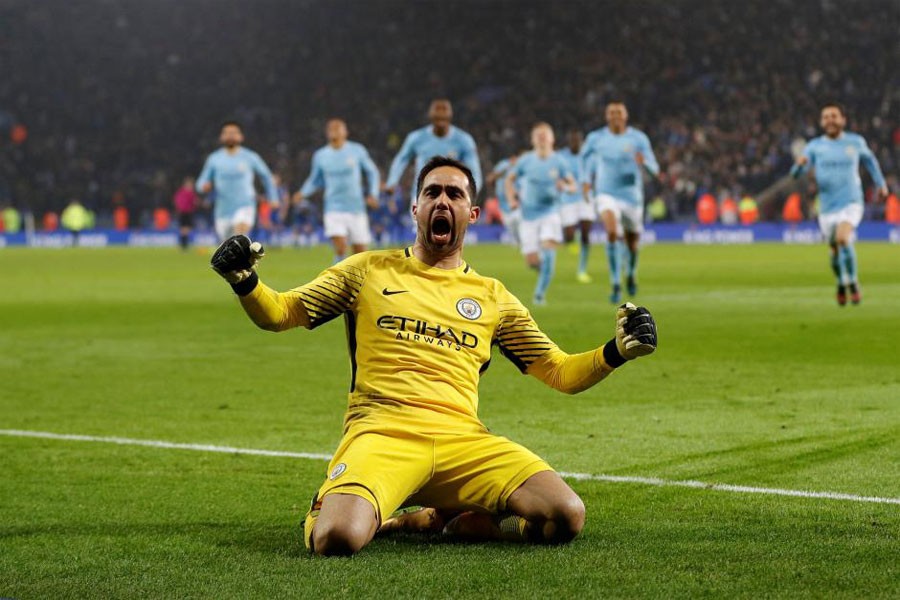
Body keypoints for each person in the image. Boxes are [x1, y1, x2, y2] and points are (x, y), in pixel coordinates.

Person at [209, 156, 657, 557]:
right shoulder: (367, 270)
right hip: (384, 434)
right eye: (432, 192)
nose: (443, 201)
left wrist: (616, 351)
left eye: (455, 194)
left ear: (472, 213)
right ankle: (328, 508)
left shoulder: (492, 297)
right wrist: (244, 280)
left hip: (464, 442)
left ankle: (459, 524)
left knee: (566, 515)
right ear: (416, 209)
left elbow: (559, 371)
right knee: (337, 539)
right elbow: (281, 312)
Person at [790, 102, 888, 306]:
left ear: (843, 120)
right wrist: (798, 168)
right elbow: (796, 173)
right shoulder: (815, 146)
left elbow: (870, 161)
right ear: (821, 122)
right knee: (834, 251)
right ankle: (841, 282)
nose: (830, 120)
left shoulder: (855, 142)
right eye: (826, 117)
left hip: (852, 201)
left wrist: (881, 184)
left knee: (844, 238)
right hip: (826, 206)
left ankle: (852, 281)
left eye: (834, 116)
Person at [581, 101, 660, 304]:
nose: (615, 115)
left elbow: (655, 169)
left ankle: (631, 273)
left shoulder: (638, 139)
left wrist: (646, 164)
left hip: (632, 197)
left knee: (632, 244)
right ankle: (615, 282)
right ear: (607, 116)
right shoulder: (596, 138)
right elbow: (583, 160)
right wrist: (586, 181)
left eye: (619, 112)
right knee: (612, 231)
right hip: (606, 193)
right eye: (611, 112)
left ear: (626, 115)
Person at [506, 123, 576, 306]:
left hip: (550, 212)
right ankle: (545, 270)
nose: (542, 137)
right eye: (539, 135)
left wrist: (566, 187)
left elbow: (573, 185)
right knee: (532, 262)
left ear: (552, 138)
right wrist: (511, 199)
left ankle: (539, 294)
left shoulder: (559, 161)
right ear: (533, 139)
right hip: (528, 216)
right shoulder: (526, 161)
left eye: (546, 134)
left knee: (549, 247)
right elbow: (509, 180)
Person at [293, 119, 380, 263]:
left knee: (360, 253)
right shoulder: (321, 156)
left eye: (339, 128)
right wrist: (302, 192)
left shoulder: (357, 150)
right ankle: (338, 282)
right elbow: (315, 180)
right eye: (331, 129)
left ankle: (356, 282)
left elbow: (372, 172)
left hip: (356, 208)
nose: (335, 131)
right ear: (327, 133)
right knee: (340, 247)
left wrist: (373, 194)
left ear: (346, 132)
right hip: (333, 208)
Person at [385, 99, 482, 212]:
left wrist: (471, 193)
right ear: (431, 118)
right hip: (422, 196)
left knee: (450, 229)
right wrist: (392, 182)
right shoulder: (417, 138)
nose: (441, 122)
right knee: (423, 230)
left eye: (443, 118)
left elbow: (475, 172)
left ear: (450, 117)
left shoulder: (463, 140)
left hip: (452, 198)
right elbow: (402, 159)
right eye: (438, 118)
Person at [196, 120, 278, 241]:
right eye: (227, 133)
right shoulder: (214, 159)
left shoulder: (250, 157)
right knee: (229, 249)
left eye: (234, 133)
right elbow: (200, 182)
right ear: (221, 137)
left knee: (239, 235)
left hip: (245, 205)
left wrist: (274, 198)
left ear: (241, 137)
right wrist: (204, 186)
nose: (230, 136)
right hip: (223, 210)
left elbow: (266, 176)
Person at [558, 130, 594, 283]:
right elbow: (558, 177)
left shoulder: (588, 156)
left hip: (586, 198)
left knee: (586, 233)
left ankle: (582, 270)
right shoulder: (562, 157)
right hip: (568, 199)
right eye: (572, 141)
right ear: (569, 142)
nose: (575, 144)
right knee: (569, 235)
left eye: (577, 141)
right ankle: (570, 241)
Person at [485, 152, 522, 245]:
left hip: (516, 201)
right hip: (502, 202)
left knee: (518, 221)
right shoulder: (504, 164)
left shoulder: (521, 167)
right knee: (510, 226)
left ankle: (523, 243)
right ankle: (516, 244)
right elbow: (490, 179)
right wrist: (507, 167)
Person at [173, 177, 200, 250]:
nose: (191, 186)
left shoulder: (182, 192)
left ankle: (183, 243)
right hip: (185, 212)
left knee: (185, 228)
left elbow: (177, 200)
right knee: (185, 228)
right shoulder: (187, 192)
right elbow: (195, 201)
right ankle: (184, 244)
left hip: (185, 212)